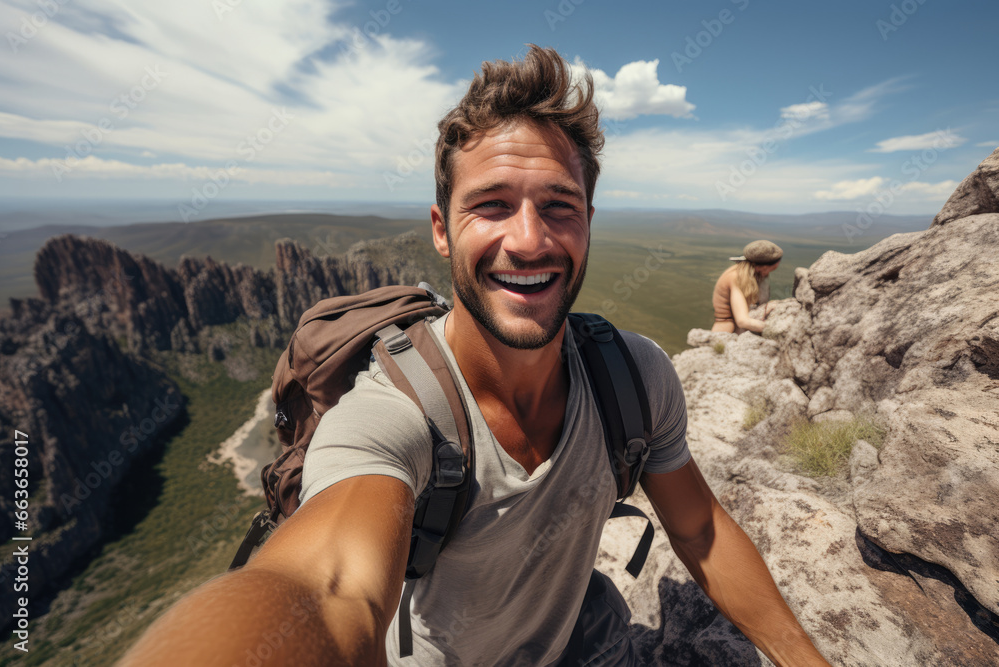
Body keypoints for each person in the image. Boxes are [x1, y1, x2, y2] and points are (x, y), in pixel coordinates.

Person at [121, 46, 829, 666]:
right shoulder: (394, 416)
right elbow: (329, 588)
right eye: (491, 203)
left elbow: (699, 528)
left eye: (559, 205)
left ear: (588, 222)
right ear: (440, 229)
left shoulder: (634, 379)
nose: (529, 239)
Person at [711, 240, 783, 334]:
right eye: (770, 269)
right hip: (727, 332)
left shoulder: (749, 275)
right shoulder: (736, 277)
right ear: (763, 267)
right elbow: (742, 321)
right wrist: (777, 331)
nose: (767, 273)